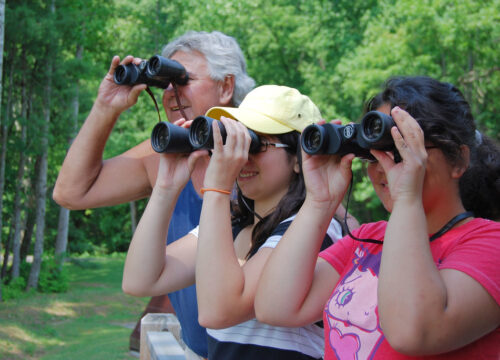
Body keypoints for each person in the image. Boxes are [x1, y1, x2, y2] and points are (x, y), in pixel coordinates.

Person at [255, 76, 500, 359]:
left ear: (458, 160)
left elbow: (412, 332)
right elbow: (275, 306)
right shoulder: (369, 239)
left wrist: (407, 197)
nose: (384, 166)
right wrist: (319, 201)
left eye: (402, 149)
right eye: (373, 155)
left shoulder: (489, 244)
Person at [53, 30, 256, 358]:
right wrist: (106, 107)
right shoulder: (164, 157)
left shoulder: (266, 157)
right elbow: (70, 193)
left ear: (226, 86)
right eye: (165, 83)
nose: (171, 93)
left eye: (183, 79)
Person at [122, 85, 352, 359]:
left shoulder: (314, 230)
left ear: (300, 158)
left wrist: (217, 188)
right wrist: (166, 187)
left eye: (256, 143)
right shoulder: (235, 225)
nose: (242, 156)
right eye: (235, 141)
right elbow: (140, 279)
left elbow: (218, 311)